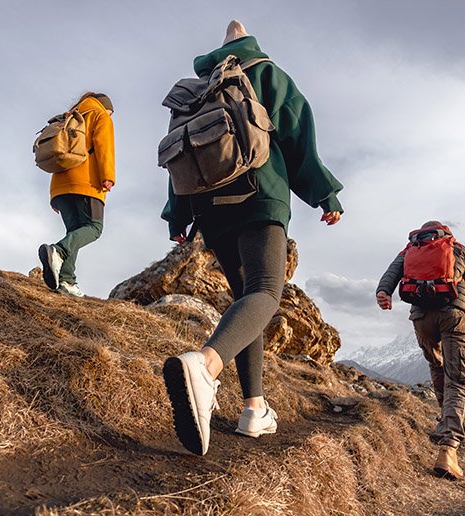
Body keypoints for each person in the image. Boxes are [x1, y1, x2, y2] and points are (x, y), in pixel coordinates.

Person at [161, 21, 344, 456]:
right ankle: (205, 365)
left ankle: (254, 408)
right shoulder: (263, 71)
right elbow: (297, 136)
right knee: (266, 290)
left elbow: (178, 152)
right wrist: (325, 193)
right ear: (250, 43)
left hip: (208, 206)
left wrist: (178, 215)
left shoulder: (195, 90)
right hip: (258, 194)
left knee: (246, 298)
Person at [375, 221, 465, 480]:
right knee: (458, 378)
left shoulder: (409, 251)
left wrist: (383, 293)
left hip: (421, 318)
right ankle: (449, 447)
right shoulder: (458, 249)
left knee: (437, 367)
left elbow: (389, 277)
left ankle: (444, 421)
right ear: (446, 233)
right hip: (454, 314)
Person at [38, 92, 115, 298]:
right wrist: (108, 176)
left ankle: (66, 281)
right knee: (94, 228)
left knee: (74, 231)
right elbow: (104, 147)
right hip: (86, 183)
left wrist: (54, 194)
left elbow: (59, 155)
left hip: (60, 187)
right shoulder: (100, 116)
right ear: (106, 107)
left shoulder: (68, 118)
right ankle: (58, 252)